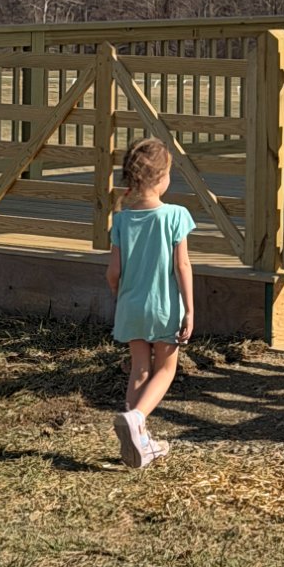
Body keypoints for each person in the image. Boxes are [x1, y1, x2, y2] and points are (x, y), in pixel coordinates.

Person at [105, 137, 195, 469]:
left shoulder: (122, 220)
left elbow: (113, 271)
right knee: (167, 368)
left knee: (139, 369)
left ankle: (137, 444)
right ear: (160, 179)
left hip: (130, 306)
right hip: (165, 307)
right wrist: (190, 308)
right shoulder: (176, 216)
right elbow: (182, 266)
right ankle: (138, 418)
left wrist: (121, 298)